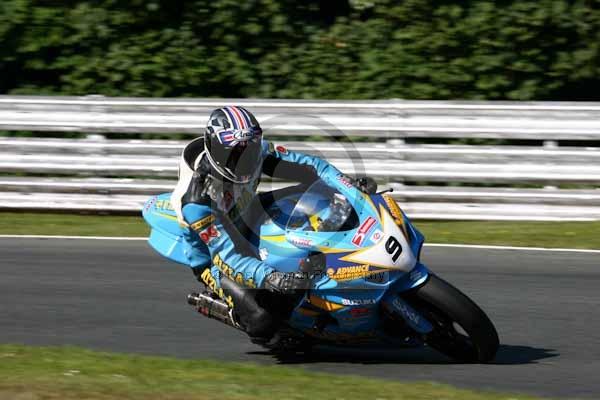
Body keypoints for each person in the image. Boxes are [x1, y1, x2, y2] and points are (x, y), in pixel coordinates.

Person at [171, 106, 370, 343]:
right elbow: (228, 258)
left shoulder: (258, 153)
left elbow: (312, 167)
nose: (244, 160)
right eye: (235, 154)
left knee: (313, 192)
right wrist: (272, 278)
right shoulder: (197, 203)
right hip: (215, 256)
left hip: (248, 211)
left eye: (249, 150)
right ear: (216, 150)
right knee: (263, 320)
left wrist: (347, 185)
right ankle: (233, 312)